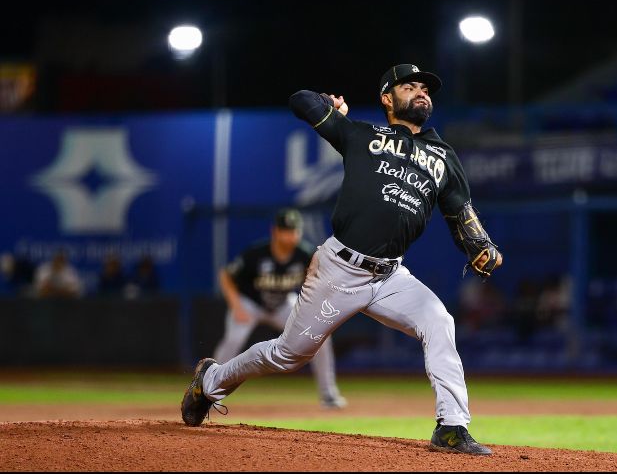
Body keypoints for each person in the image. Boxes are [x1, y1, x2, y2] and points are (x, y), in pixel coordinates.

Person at [181, 64, 502, 455]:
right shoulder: (362, 135)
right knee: (289, 354)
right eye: (409, 86)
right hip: (340, 268)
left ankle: (451, 426)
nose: (421, 92)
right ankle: (210, 380)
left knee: (439, 320)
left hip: (391, 276)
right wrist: (328, 107)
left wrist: (480, 246)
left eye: (425, 88)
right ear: (387, 98)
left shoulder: (444, 156)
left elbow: (460, 214)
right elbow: (299, 101)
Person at [212, 208, 346, 409]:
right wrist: (237, 306)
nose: (291, 235)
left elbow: (322, 282)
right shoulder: (256, 253)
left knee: (319, 336)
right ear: (275, 231)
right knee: (233, 340)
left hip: (283, 304)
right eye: (286, 230)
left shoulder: (305, 254)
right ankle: (211, 390)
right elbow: (226, 276)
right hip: (250, 304)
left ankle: (328, 393)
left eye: (294, 230)